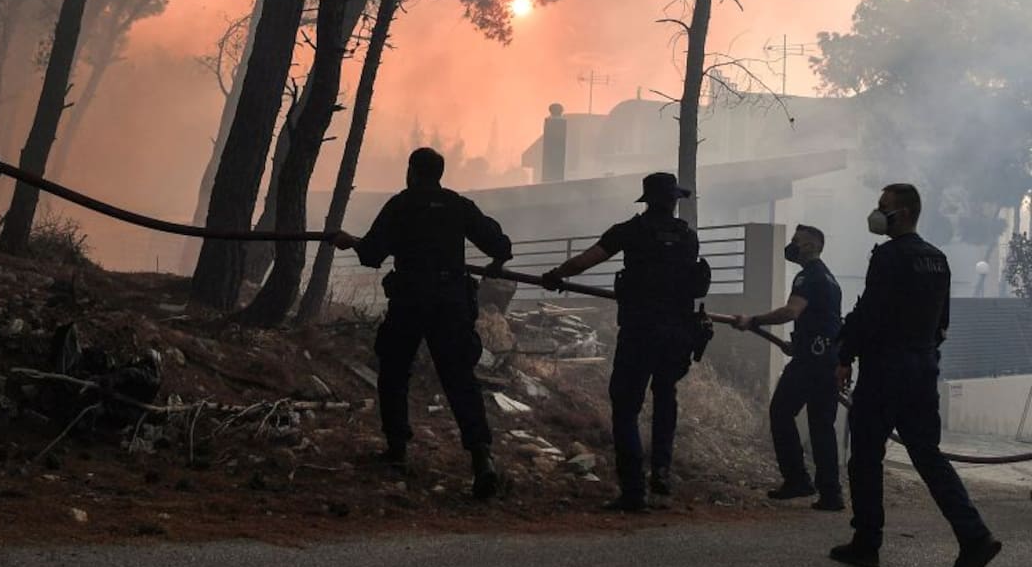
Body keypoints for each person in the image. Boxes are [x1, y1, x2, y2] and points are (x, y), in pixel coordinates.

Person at [831, 183, 1002, 567]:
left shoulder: (889, 256)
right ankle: (974, 535)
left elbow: (870, 312)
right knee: (928, 455)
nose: (878, 213)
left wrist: (843, 354)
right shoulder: (938, 260)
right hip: (922, 368)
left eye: (884, 207)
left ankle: (867, 543)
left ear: (905, 212)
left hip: (885, 370)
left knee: (865, 456)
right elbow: (942, 323)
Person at [331, 147, 512, 499]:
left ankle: (397, 449)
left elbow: (371, 255)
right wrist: (496, 265)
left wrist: (348, 242)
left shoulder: (401, 205)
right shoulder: (458, 206)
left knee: (395, 373)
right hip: (451, 304)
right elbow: (499, 244)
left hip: (410, 301)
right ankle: (482, 458)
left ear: (412, 171)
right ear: (439, 174)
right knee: (461, 380)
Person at [542, 172, 709, 512]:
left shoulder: (630, 231)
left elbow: (585, 261)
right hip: (677, 332)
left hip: (640, 330)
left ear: (647, 200)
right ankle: (661, 470)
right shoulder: (688, 238)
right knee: (666, 398)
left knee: (626, 406)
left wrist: (556, 276)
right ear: (673, 200)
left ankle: (633, 490)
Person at [734, 224, 843, 510]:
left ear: (810, 246)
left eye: (797, 241)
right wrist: (799, 343)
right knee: (822, 427)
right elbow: (825, 321)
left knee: (780, 412)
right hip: (827, 359)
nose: (792, 245)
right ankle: (831, 494)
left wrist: (753, 320)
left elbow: (790, 312)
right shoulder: (830, 279)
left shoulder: (808, 276)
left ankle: (797, 479)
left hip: (810, 363)